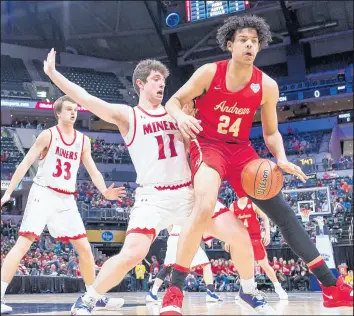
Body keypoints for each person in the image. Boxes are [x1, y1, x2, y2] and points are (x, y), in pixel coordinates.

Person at [43, 50, 272, 315]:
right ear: (140, 83)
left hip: (188, 193)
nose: (161, 83)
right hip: (153, 198)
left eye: (163, 80)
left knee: (240, 235)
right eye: (155, 79)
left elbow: (196, 146)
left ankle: (248, 290)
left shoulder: (177, 112)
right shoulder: (129, 116)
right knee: (132, 254)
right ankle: (89, 298)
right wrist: (53, 74)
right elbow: (87, 99)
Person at [160, 14, 353, 314]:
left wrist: (282, 159)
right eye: (243, 40)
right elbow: (173, 101)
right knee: (205, 204)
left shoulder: (267, 86)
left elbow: (271, 131)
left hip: (241, 152)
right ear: (230, 44)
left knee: (284, 215)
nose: (250, 45)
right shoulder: (208, 73)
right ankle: (174, 291)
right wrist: (182, 116)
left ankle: (331, 286)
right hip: (208, 145)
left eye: (255, 41)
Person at [0, 96, 126, 314]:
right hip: (43, 193)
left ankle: (92, 296)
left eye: (75, 109)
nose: (73, 112)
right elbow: (24, 164)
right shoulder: (47, 135)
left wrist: (105, 191)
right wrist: (8, 193)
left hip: (66, 199)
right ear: (58, 113)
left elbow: (94, 171)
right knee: (23, 244)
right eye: (68, 109)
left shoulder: (83, 141)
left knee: (86, 249)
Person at [227, 197, 288, 299]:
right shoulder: (233, 206)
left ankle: (278, 288)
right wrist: (228, 239)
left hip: (255, 238)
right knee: (243, 267)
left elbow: (265, 217)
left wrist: (267, 233)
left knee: (264, 265)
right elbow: (229, 224)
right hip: (241, 240)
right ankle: (244, 290)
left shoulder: (253, 203)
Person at [146, 224, 222, 304]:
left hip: (174, 237)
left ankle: (153, 293)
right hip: (186, 238)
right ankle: (211, 293)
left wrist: (172, 231)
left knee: (167, 267)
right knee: (206, 264)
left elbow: (168, 225)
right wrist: (206, 237)